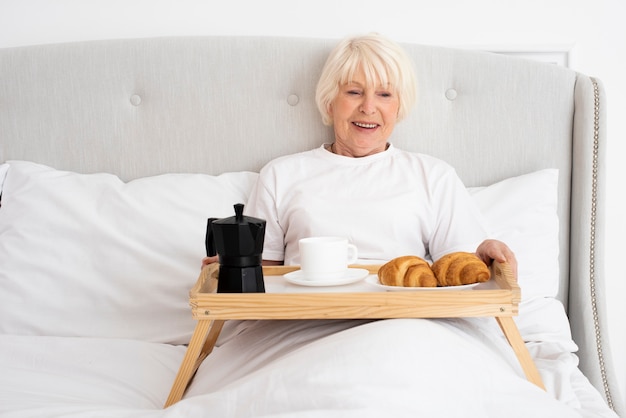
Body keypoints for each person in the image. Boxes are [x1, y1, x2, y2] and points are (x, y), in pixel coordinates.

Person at [203, 32, 517, 275]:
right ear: (329, 101)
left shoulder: (433, 175)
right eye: (354, 92)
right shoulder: (281, 175)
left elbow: (461, 270)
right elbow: (265, 277)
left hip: (404, 323)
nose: (368, 107)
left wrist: (486, 254)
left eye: (384, 94)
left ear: (399, 105)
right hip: (302, 323)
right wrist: (228, 272)